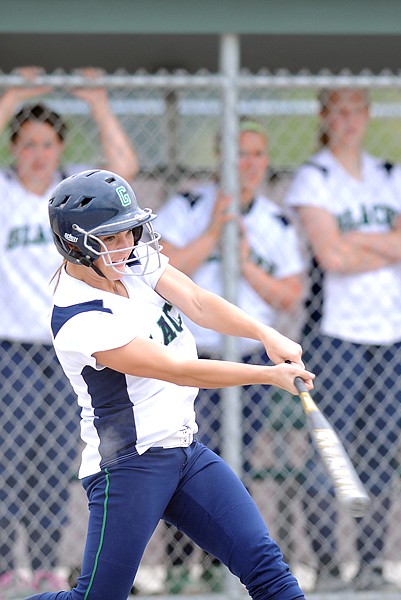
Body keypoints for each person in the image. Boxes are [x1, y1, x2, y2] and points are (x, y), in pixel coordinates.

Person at [26, 169, 314, 600]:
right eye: (112, 237)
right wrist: (266, 376)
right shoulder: (79, 318)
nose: (127, 244)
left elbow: (197, 301)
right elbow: (178, 369)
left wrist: (265, 335)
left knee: (265, 565)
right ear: (76, 245)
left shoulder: (133, 260)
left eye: (130, 231)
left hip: (185, 453)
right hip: (128, 466)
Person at [284, 87, 401, 591]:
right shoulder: (315, 176)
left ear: (368, 116)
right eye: (338, 111)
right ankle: (328, 566)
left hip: (392, 336)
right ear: (324, 117)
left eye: (356, 111)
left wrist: (361, 242)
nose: (348, 120)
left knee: (378, 452)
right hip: (336, 335)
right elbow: (332, 258)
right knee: (329, 449)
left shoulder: (390, 174)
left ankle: (370, 565)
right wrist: (391, 244)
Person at [0, 66, 139, 597]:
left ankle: (40, 565)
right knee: (9, 458)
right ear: (15, 149)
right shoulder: (8, 193)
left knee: (55, 459)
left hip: (69, 348)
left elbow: (123, 170)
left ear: (60, 149)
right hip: (13, 349)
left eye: (47, 144)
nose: (38, 154)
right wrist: (14, 95)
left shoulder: (74, 196)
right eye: (28, 144)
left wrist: (98, 102)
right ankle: (5, 567)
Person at [155, 119, 305, 591]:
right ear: (220, 159)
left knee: (227, 470)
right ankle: (181, 572)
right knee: (174, 466)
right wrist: (212, 231)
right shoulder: (189, 206)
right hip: (189, 358)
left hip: (246, 362)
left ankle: (222, 572)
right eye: (239, 154)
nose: (249, 164)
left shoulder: (275, 220)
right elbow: (162, 273)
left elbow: (288, 294)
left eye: (258, 154)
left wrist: (242, 262)